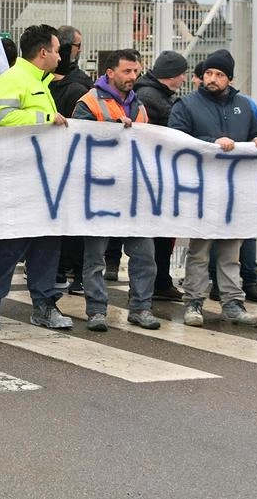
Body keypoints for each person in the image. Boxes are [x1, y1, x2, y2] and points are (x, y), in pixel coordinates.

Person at [0, 24, 73, 331]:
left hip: (44, 180)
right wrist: (45, 119)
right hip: (19, 178)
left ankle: (44, 304)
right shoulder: (13, 79)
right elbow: (2, 118)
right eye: (56, 50)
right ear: (43, 52)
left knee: (46, 243)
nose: (60, 56)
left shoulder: (39, 82)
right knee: (11, 245)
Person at [168, 49, 257, 328]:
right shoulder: (186, 105)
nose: (212, 78)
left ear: (230, 79)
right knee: (200, 249)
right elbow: (176, 140)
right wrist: (212, 140)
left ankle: (233, 303)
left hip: (235, 191)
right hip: (201, 190)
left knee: (231, 249)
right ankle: (194, 303)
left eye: (219, 74)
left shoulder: (245, 106)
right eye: (209, 73)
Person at [70, 49, 162, 331]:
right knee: (95, 258)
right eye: (127, 71)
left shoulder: (139, 106)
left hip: (133, 194)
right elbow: (78, 136)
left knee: (145, 256)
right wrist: (111, 128)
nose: (133, 77)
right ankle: (97, 311)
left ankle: (141, 308)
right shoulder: (88, 102)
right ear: (110, 72)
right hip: (99, 192)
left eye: (136, 71)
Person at [133, 50, 188, 301]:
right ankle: (156, 284)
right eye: (182, 74)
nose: (184, 80)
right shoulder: (154, 98)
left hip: (156, 173)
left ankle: (158, 282)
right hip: (155, 176)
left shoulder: (151, 93)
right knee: (159, 236)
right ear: (172, 76)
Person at [48, 26, 93, 294]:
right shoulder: (46, 82)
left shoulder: (80, 84)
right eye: (77, 45)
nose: (80, 50)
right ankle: (61, 270)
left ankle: (70, 270)